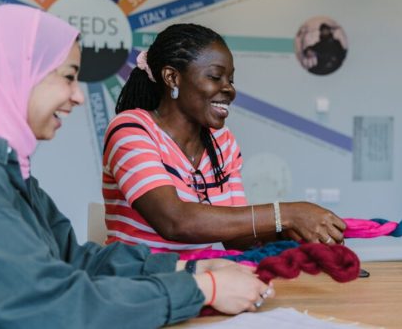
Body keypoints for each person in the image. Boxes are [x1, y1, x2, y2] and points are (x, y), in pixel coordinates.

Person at [0, 4, 272, 328]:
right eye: (68, 77)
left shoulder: (15, 175)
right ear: (12, 72)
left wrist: (191, 270)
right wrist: (202, 287)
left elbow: (77, 261)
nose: (78, 96)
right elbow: (53, 305)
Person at [104, 23, 346, 255]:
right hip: (138, 283)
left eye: (230, 79)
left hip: (203, 279)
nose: (229, 89)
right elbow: (174, 221)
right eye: (215, 77)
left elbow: (238, 238)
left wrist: (293, 233)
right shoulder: (131, 130)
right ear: (172, 78)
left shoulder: (222, 141)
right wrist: (287, 214)